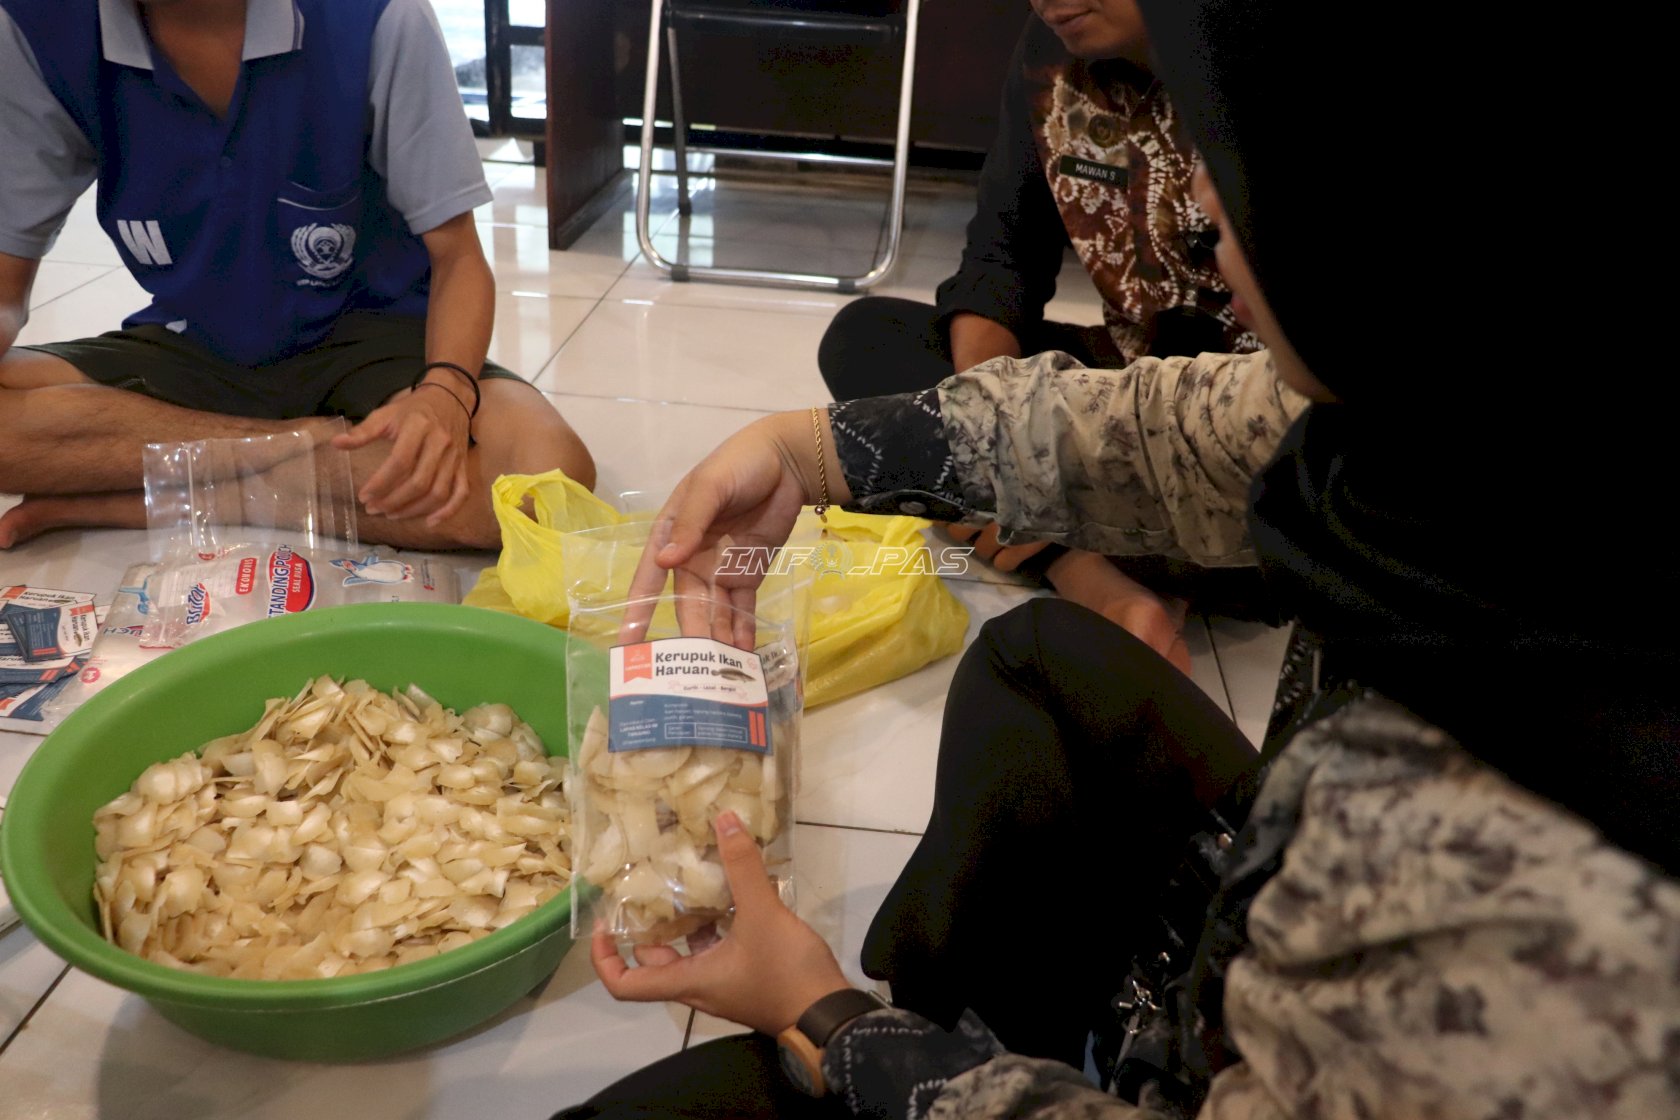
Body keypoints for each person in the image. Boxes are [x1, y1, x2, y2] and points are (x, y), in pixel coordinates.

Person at [555, 1, 1680, 1117]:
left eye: (1237, 166)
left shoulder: (1520, 906)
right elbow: (1155, 427)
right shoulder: (1458, 430)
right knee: (1040, 655)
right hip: (1250, 921)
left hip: (1251, 1045)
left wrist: (835, 1024)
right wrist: (808, 452)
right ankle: (972, 1011)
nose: (1199, 203)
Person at [0, 0, 594, 552]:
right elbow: (6, 281)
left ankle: (168, 495)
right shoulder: (39, 29)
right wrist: (303, 442)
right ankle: (296, 449)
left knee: (544, 480)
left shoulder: (378, 19)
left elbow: (460, 258)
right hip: (196, 342)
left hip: (376, 337)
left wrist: (444, 393)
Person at [819, 0, 1294, 673]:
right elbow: (1002, 257)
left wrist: (993, 469)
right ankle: (1088, 570)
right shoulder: (1049, 51)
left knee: (1305, 514)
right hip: (1123, 394)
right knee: (866, 340)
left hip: (1251, 434)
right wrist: (989, 427)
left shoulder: (1267, 63)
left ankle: (1081, 547)